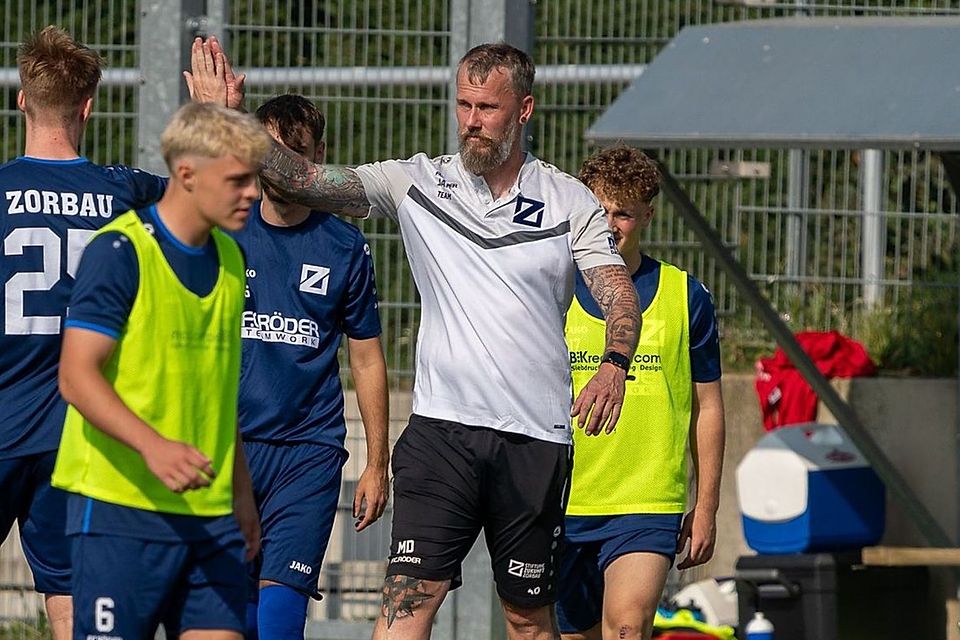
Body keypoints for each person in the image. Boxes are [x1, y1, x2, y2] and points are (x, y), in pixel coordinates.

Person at [189, 39, 641, 640]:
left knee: (528, 621)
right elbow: (302, 181)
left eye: (488, 108)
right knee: (405, 605)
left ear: (524, 110)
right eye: (463, 106)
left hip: (534, 438)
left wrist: (614, 362)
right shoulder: (417, 182)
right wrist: (232, 120)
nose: (472, 122)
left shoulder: (567, 199)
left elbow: (616, 290)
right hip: (439, 435)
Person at [50, 102, 270, 640]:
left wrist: (241, 493)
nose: (254, 194)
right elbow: (76, 376)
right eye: (238, 180)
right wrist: (154, 446)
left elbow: (216, 393)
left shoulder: (231, 256)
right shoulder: (121, 250)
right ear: (187, 174)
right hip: (121, 512)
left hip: (210, 514)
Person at [0, 25, 166, 640]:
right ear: (89, 106)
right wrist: (215, 113)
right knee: (70, 599)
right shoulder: (121, 192)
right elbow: (203, 195)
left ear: (22, 99)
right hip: (78, 434)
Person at [235, 94, 389, 640]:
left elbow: (366, 356)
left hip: (309, 452)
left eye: (293, 154)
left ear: (318, 155)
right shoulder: (225, 228)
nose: (280, 168)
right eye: (270, 152)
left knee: (280, 614)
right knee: (232, 612)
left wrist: (377, 461)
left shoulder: (343, 244)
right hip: (231, 447)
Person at [558, 146, 725, 640]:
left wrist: (707, 503)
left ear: (647, 215)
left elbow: (708, 408)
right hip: (563, 496)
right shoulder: (553, 286)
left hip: (646, 498)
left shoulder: (684, 295)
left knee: (628, 626)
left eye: (623, 213)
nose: (610, 225)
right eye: (598, 210)